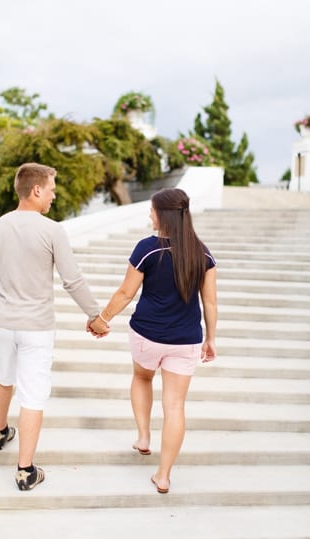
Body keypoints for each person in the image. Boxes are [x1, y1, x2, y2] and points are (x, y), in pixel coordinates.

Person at [0, 162, 102, 491]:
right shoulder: (52, 231)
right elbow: (72, 280)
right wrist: (94, 314)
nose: (54, 196)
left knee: (3, 377)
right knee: (32, 395)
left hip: (1, 323)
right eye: (52, 190)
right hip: (37, 327)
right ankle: (25, 470)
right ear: (36, 190)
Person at [89, 187, 217, 494]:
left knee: (142, 377)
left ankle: (144, 436)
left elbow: (125, 293)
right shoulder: (203, 254)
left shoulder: (148, 248)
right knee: (175, 407)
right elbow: (209, 303)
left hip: (147, 334)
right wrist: (211, 338)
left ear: (164, 214)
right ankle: (163, 475)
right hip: (186, 339)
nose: (149, 213)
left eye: (152, 209)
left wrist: (102, 319)